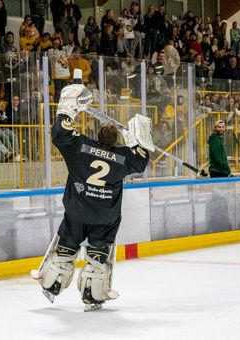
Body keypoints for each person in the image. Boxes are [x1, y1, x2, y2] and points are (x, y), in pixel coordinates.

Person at [34, 83, 150, 309]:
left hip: (77, 212)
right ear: (116, 139)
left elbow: (59, 134)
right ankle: (92, 296)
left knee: (66, 249)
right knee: (98, 257)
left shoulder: (81, 148)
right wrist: (134, 138)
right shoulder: (123, 158)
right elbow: (141, 161)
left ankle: (52, 285)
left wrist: (68, 109)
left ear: (97, 135)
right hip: (105, 218)